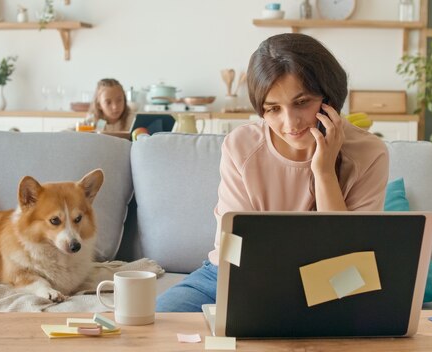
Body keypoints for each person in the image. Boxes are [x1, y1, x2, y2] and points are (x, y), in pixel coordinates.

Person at [155, 33, 389, 312]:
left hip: (329, 286)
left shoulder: (368, 153)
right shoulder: (241, 146)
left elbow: (347, 262)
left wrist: (324, 171)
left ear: (329, 98)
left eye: (302, 102)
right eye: (273, 109)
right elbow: (232, 249)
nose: (290, 122)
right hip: (234, 276)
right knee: (161, 320)